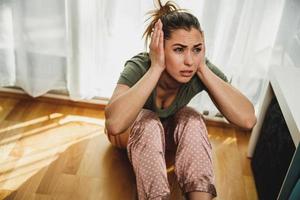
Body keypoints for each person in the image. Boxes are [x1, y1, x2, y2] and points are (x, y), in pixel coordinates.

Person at [104, 1, 256, 199]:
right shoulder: (141, 66)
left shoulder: (198, 67)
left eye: (196, 49)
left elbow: (247, 119)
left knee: (191, 117)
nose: (189, 61)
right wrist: (156, 67)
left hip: (168, 138)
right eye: (179, 49)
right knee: (148, 121)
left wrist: (203, 69)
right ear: (159, 46)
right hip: (131, 133)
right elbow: (114, 124)